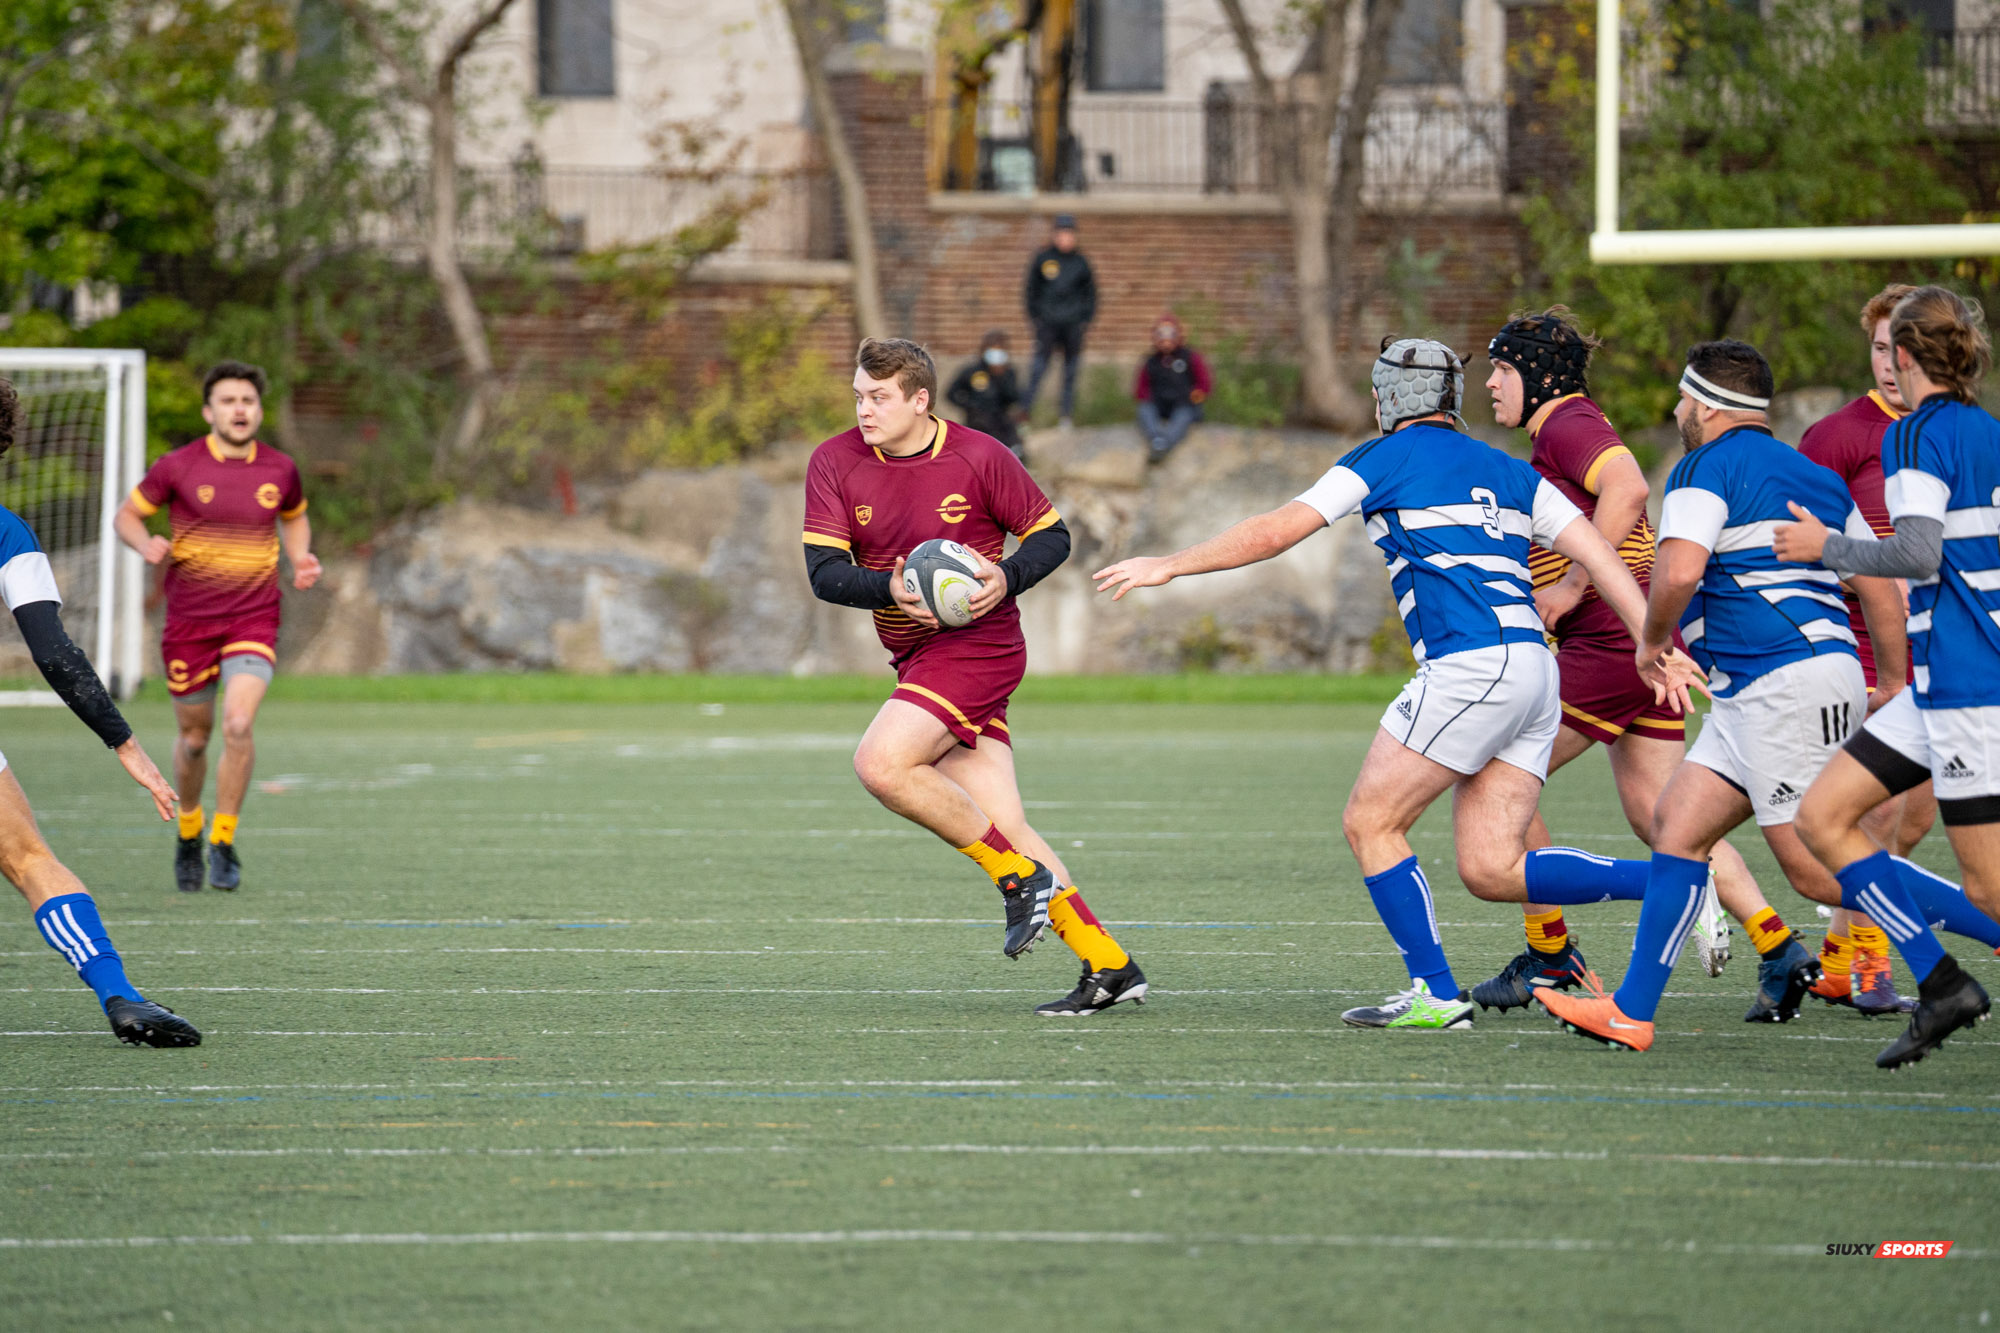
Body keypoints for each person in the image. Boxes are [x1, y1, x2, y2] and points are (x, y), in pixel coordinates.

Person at [1094, 337, 1702, 1030]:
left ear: (1390, 397)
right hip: (1536, 670)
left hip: (1471, 665)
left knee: (1371, 821)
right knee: (1491, 866)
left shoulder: (1380, 458)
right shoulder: (1507, 469)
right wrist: (1654, 642)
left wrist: (1171, 564)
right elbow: (1602, 554)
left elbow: (1275, 530)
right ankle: (1674, 880)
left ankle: (1434, 992)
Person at [1536, 340, 1915, 1056]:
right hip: (1758, 691)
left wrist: (1650, 641)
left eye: (1683, 399)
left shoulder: (1703, 466)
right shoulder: (1813, 474)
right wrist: (1890, 680)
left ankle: (1981, 927)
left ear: (1706, 405)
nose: (1677, 411)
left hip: (1781, 682)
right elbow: (1882, 587)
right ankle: (1631, 1011)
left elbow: (1677, 571)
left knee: (1815, 866)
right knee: (1677, 828)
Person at [1473, 308, 1835, 1027]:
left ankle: (1550, 953)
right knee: (1663, 815)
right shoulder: (1562, 428)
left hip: (1611, 638)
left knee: (1494, 775)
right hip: (1632, 641)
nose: (1489, 384)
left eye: (1502, 370)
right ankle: (1778, 942)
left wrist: (1574, 585)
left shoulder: (1567, 423)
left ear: (1537, 375)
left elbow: (1630, 488)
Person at [802, 337, 1147, 1016]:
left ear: (919, 399)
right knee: (1006, 821)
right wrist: (886, 588)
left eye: (879, 397)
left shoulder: (980, 455)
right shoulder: (835, 461)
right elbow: (823, 574)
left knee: (880, 763)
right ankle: (1109, 964)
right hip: (916, 655)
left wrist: (1006, 578)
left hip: (978, 647)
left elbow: (1053, 537)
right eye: (858, 397)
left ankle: (1018, 881)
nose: (864, 410)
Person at [1782, 285, 2000, 1069]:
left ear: (1904, 359)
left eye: (1888, 354)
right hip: (1938, 684)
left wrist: (1826, 548)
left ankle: (1944, 981)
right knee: (1824, 816)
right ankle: (1942, 982)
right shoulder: (1986, 431)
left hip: (1971, 691)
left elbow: (1918, 553)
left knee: (1988, 890)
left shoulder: (1914, 435)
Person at [0, 378, 198, 1047]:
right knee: (29, 859)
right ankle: (120, 995)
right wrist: (125, 744)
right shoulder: (8, 532)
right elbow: (55, 654)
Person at [112, 361, 320, 894]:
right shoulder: (177, 466)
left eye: (247, 401)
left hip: (254, 615)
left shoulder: (280, 469)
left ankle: (223, 840)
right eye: (228, 401)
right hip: (188, 623)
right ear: (209, 412)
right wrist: (144, 543)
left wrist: (301, 557)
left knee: (237, 724)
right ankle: (189, 831)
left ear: (259, 410)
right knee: (196, 738)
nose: (239, 409)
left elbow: (294, 514)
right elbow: (127, 518)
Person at [1797, 282, 1933, 1015]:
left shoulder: (1952, 429)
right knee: (1877, 813)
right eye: (1881, 347)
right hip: (1860, 651)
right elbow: (1798, 539)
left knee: (1914, 819)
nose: (1890, 363)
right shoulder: (1837, 436)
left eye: (1903, 350)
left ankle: (1835, 961)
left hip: (1939, 645)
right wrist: (1866, 575)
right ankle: (1873, 973)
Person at [1022, 214, 1095, 429]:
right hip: (1048, 324)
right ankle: (1025, 413)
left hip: (1072, 325)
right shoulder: (1043, 258)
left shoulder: (1081, 262)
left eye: (1069, 234)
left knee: (1070, 371)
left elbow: (1090, 294)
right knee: (1038, 368)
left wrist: (1084, 320)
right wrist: (1037, 318)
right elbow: (1030, 291)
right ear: (1054, 235)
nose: (1065, 238)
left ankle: (1065, 415)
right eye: (1061, 233)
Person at [1136, 314, 1212, 464]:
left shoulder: (1190, 357)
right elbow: (1141, 389)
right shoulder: (1151, 362)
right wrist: (1148, 398)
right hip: (1159, 404)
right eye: (1161, 335)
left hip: (1183, 404)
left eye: (1170, 334)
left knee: (1183, 416)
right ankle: (1157, 440)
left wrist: (1195, 396)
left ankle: (1166, 443)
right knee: (1144, 410)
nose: (1166, 340)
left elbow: (1204, 384)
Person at [945, 330, 1025, 461]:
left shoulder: (1009, 372)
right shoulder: (972, 371)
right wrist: (969, 405)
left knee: (1011, 442)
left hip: (1001, 419)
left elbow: (1014, 398)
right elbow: (950, 394)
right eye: (993, 349)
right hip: (977, 420)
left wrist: (1002, 377)